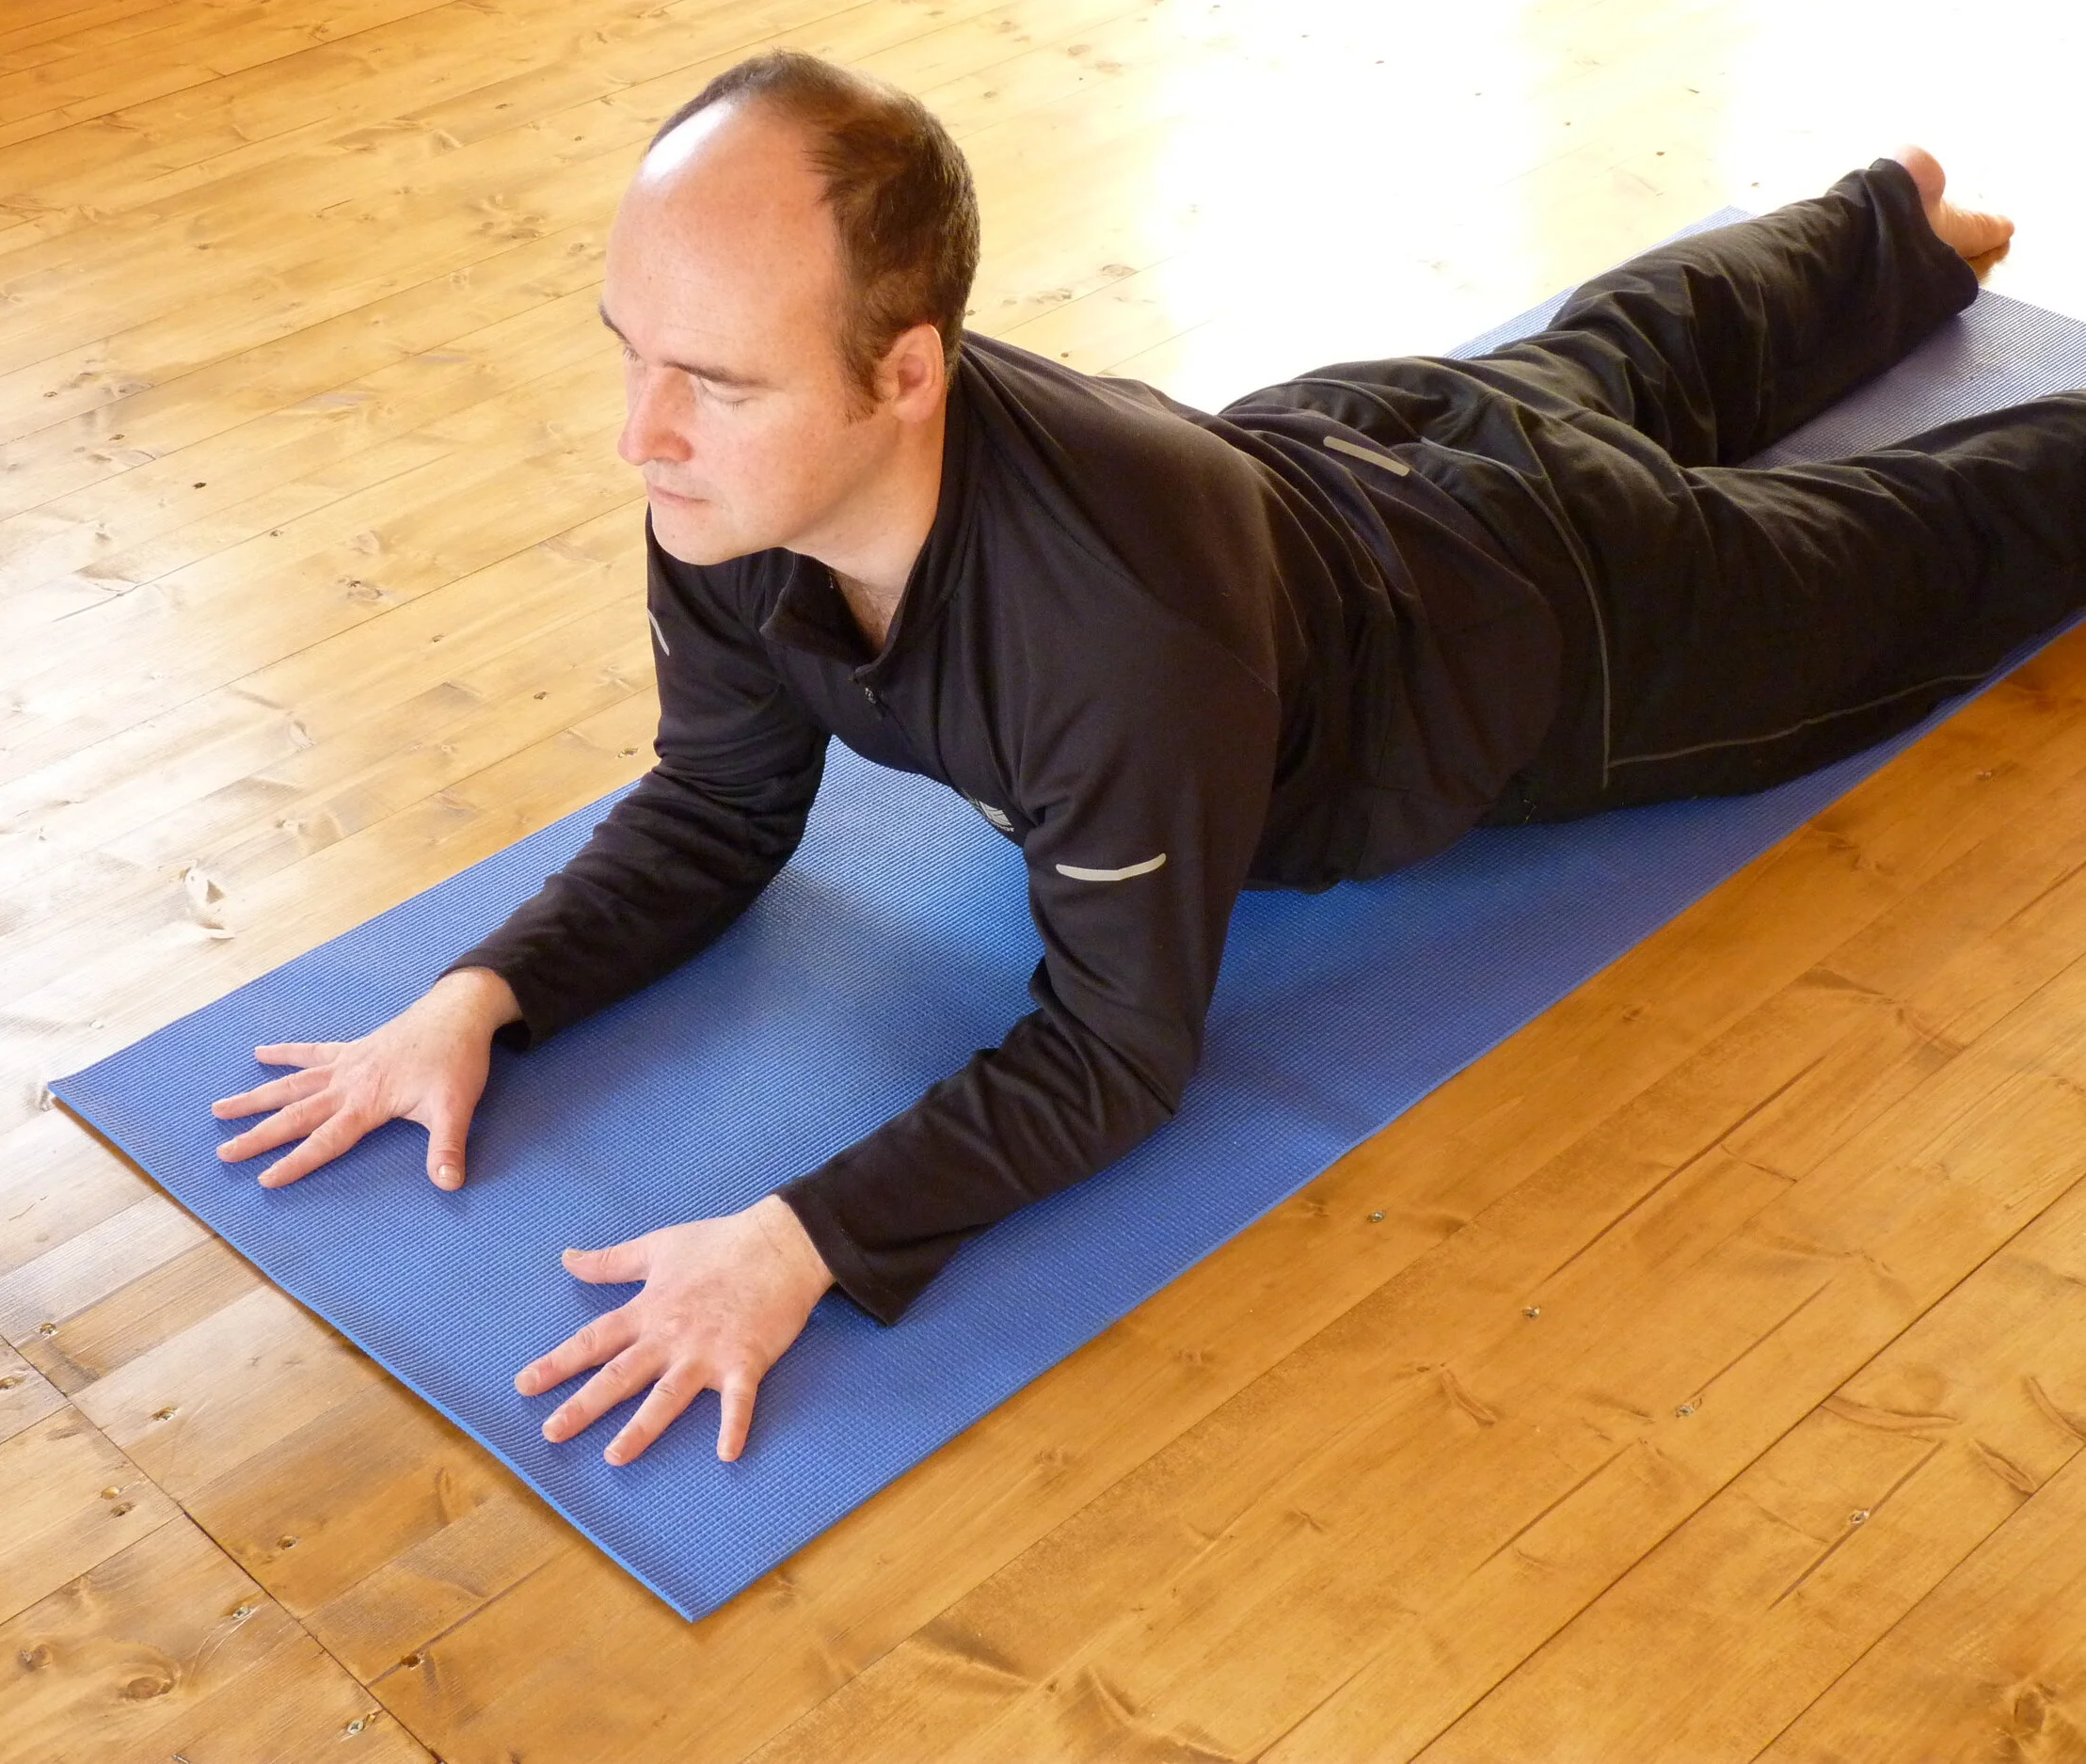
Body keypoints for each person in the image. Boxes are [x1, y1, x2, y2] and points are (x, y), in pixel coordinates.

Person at [210, 51, 2082, 1467]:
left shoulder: (1105, 635)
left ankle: (1912, 261)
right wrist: (482, 992)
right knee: (1599, 362)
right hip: (1352, 449)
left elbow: (1116, 1048)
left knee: (1928, 557)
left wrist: (801, 1237)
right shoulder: (730, 486)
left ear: (905, 372)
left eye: (711, 376)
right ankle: (1887, 227)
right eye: (633, 354)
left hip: (1557, 622)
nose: (643, 432)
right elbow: (717, 802)